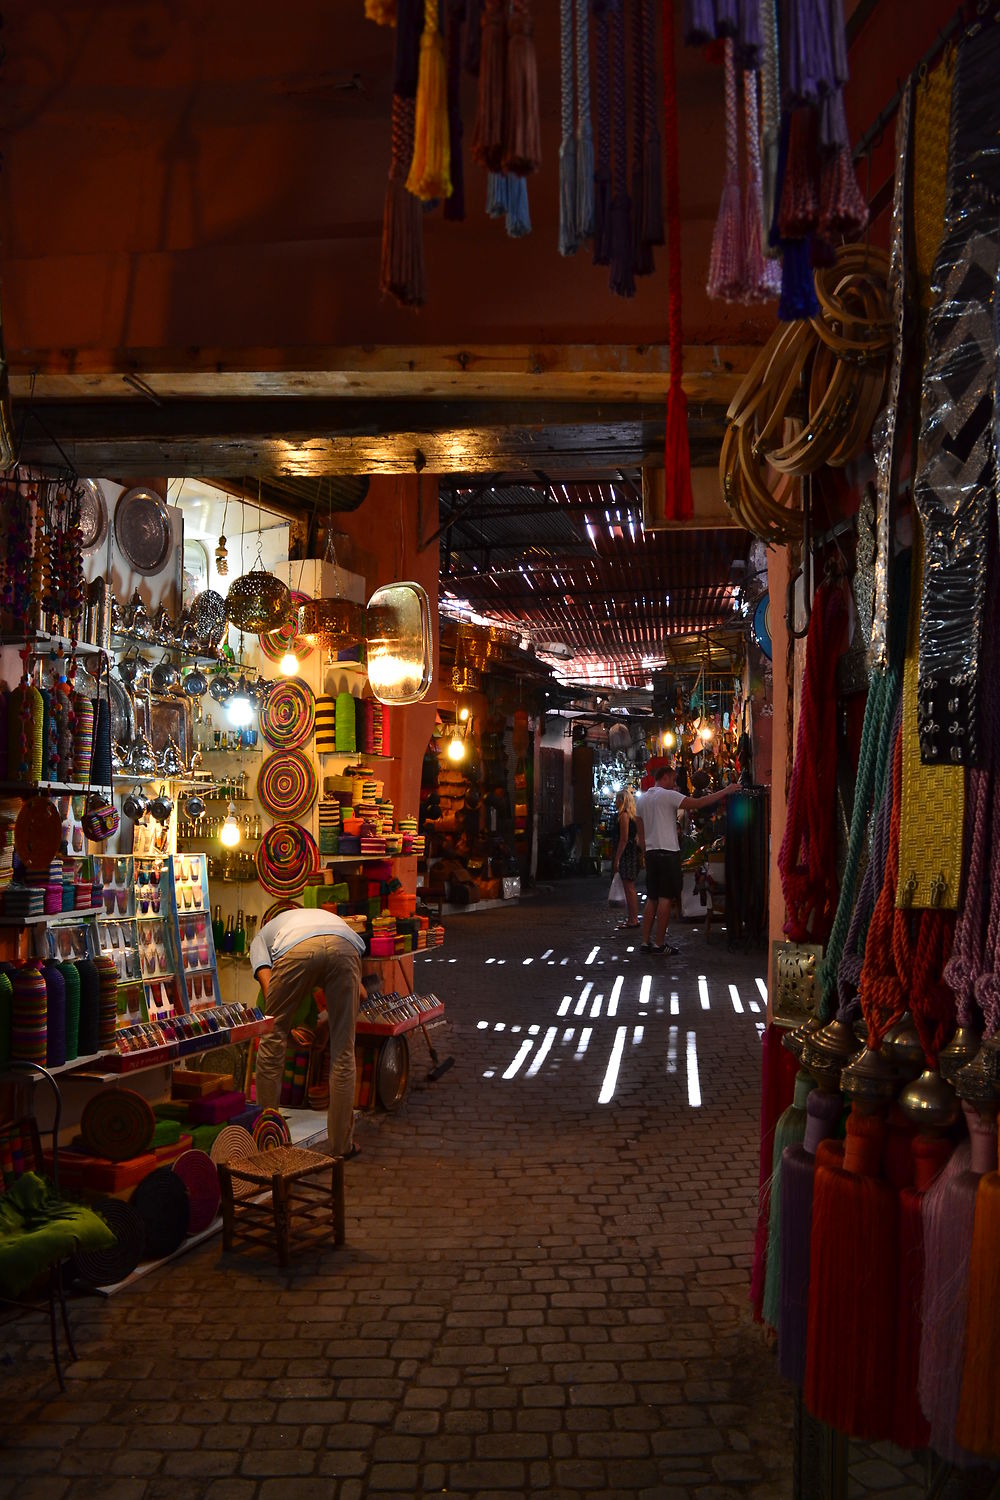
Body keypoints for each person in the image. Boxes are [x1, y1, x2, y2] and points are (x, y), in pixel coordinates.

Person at [249, 907, 365, 1158]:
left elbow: (271, 997)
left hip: (297, 950)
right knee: (344, 1051)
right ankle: (341, 1147)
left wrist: (286, 1027)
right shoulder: (328, 921)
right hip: (346, 945)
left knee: (272, 1039)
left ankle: (268, 1141)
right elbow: (362, 994)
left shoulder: (260, 938)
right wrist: (326, 1026)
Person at [636, 762, 738, 955]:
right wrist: (726, 790)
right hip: (668, 853)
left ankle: (644, 941)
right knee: (665, 898)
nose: (675, 784)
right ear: (664, 777)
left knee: (652, 898)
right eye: (674, 779)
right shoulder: (668, 795)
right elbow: (699, 803)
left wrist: (644, 853)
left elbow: (641, 833)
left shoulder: (642, 800)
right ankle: (659, 944)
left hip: (651, 853)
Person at [612, 787, 644, 930]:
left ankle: (633, 919)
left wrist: (617, 858)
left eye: (617, 799)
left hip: (627, 853)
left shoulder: (624, 816)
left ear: (622, 800)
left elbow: (623, 839)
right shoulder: (632, 816)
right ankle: (632, 918)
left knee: (629, 887)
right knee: (629, 887)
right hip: (632, 852)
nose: (615, 802)